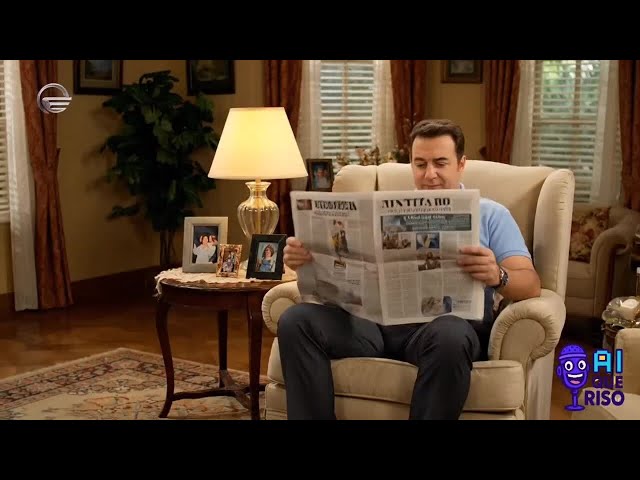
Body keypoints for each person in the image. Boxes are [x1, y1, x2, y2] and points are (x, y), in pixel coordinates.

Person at [279, 118, 542, 420]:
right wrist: (308, 260)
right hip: (371, 328)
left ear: (461, 164)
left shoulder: (491, 214)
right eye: (420, 164)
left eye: (440, 163)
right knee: (296, 319)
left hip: (440, 331)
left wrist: (498, 275)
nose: (430, 174)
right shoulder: (379, 211)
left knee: (451, 333)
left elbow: (531, 284)